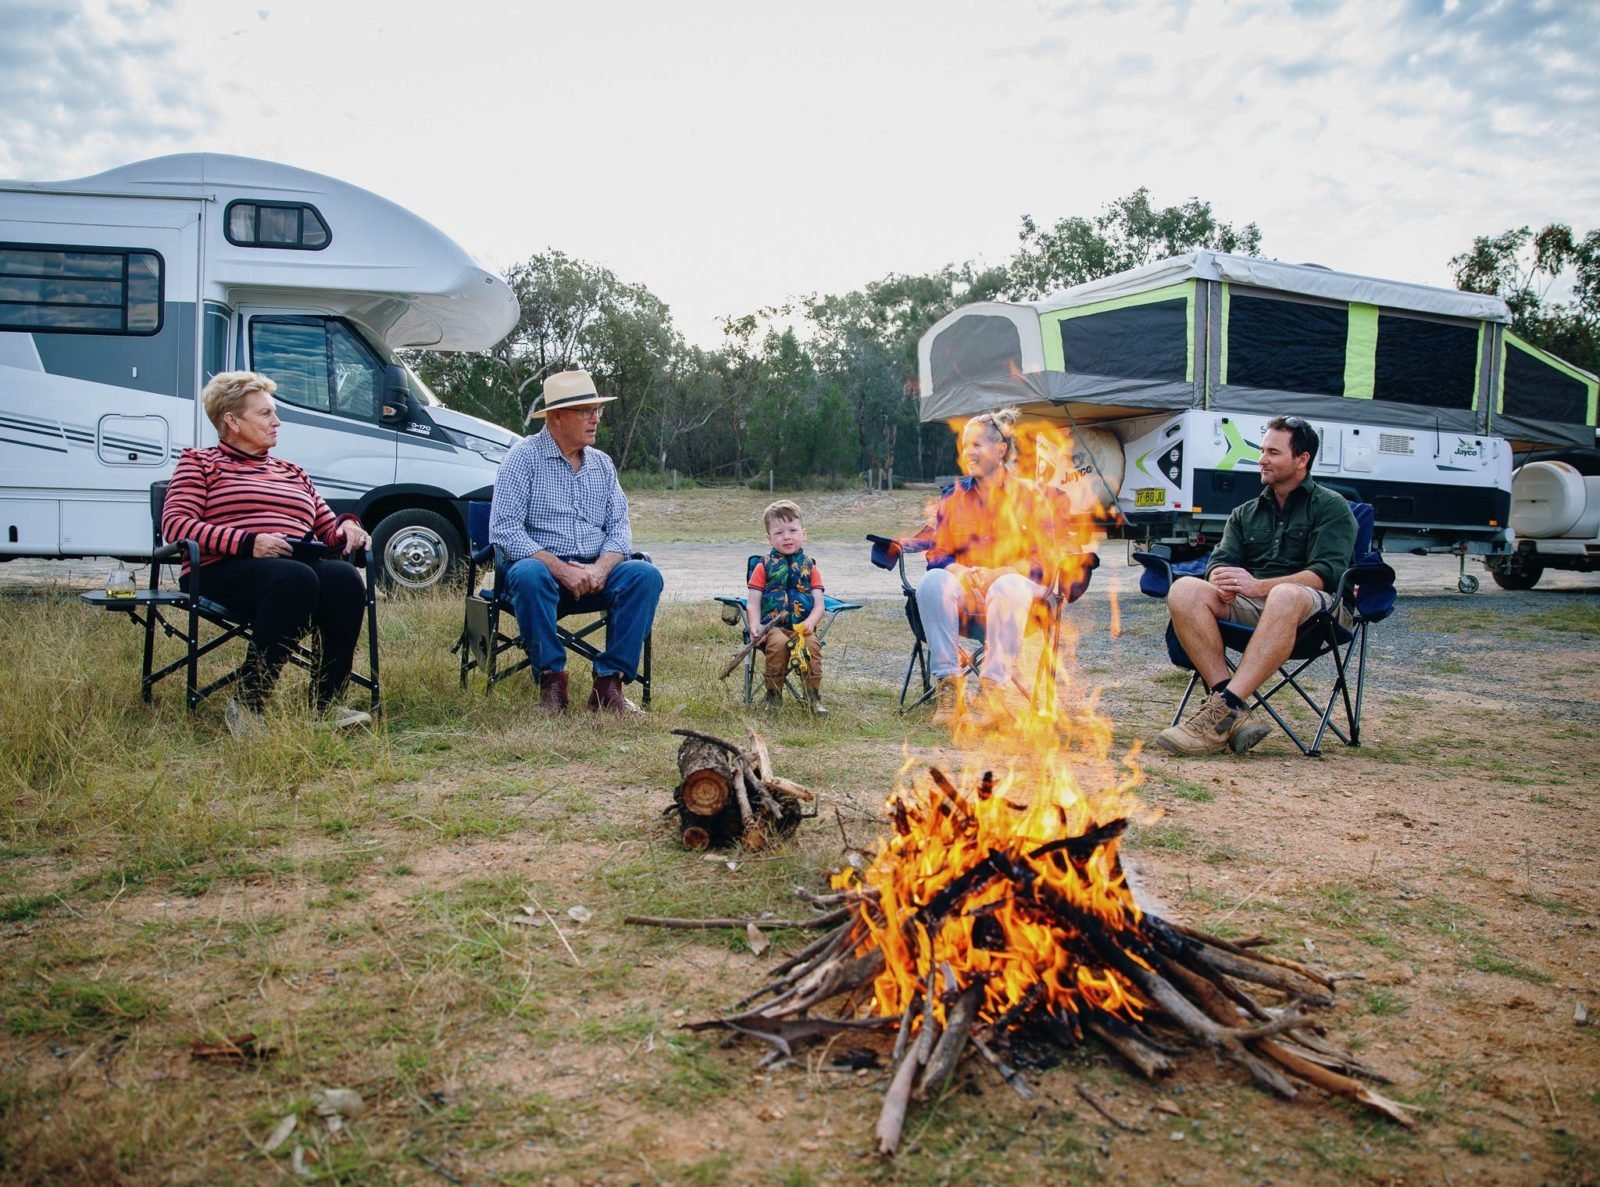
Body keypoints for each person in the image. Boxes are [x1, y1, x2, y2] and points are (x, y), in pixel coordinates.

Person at [161, 371, 373, 738]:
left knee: (343, 579)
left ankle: (325, 705)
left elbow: (327, 527)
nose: (277, 422)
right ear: (232, 421)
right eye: (265, 414)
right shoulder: (200, 463)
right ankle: (248, 705)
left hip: (290, 570)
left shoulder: (292, 472)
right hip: (223, 569)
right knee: (296, 578)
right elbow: (177, 526)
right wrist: (248, 542)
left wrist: (348, 528)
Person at [1153, 414, 1358, 756]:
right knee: (1185, 589)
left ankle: (1223, 708)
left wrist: (1258, 586)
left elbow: (1325, 573)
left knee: (1285, 594)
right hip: (1257, 607)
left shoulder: (1332, 507)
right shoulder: (1245, 513)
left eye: (1273, 452)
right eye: (1262, 450)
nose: (1261, 459)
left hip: (1317, 612)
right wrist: (1220, 577)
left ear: (1301, 459)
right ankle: (1228, 710)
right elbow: (1220, 560)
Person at [490, 369, 663, 714]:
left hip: (597, 570)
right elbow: (504, 529)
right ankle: (552, 682)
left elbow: (619, 529)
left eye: (596, 410)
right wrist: (559, 568)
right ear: (556, 418)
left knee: (645, 576)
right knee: (527, 573)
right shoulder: (523, 458)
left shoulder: (602, 464)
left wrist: (600, 568)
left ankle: (608, 686)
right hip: (542, 571)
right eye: (585, 411)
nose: (595, 418)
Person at [917, 408, 1055, 725]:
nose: (968, 452)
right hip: (968, 594)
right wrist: (961, 573)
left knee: (1007, 586)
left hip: (1018, 594)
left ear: (1001, 450)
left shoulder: (1030, 497)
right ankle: (948, 689)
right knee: (933, 582)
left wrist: (1001, 572)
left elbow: (1044, 562)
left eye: (977, 445)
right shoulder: (953, 497)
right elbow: (937, 554)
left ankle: (991, 692)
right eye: (966, 446)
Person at [747, 499, 827, 715]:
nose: (787, 536)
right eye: (779, 532)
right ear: (769, 538)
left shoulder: (811, 568)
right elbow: (753, 603)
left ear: (804, 533)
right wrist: (755, 627)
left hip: (802, 628)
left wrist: (810, 622)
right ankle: (773, 696)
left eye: (793, 530)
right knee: (779, 645)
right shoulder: (762, 566)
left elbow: (819, 605)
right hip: (771, 628)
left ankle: (813, 697)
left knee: (811, 648)